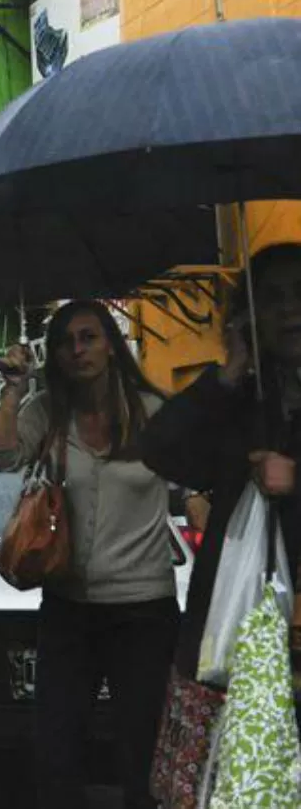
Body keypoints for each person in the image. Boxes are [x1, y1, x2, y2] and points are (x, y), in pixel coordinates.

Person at [0, 300, 174, 809]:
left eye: (89, 337)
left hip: (144, 610)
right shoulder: (47, 412)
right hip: (69, 607)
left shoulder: (153, 412)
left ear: (111, 345)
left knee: (143, 752)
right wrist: (15, 390)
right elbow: (0, 456)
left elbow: (197, 475)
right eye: (68, 341)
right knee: (56, 750)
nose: (78, 349)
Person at [142, 242, 301, 690]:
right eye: (271, 298)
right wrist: (228, 374)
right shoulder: (239, 398)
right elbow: (160, 449)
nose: (289, 309)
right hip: (241, 615)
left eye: (298, 292)